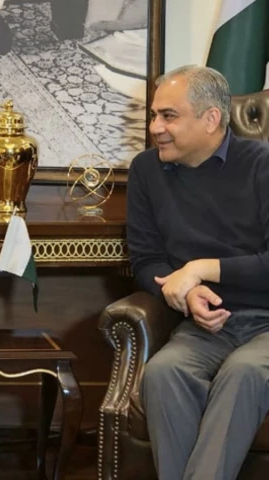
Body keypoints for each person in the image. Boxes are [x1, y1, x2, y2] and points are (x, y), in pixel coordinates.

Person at [127, 64, 269, 480]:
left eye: (169, 116)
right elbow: (146, 260)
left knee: (244, 372)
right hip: (205, 327)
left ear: (211, 119)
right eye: (154, 115)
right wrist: (186, 293)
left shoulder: (261, 165)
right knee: (163, 372)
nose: (155, 128)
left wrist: (201, 269)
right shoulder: (146, 170)